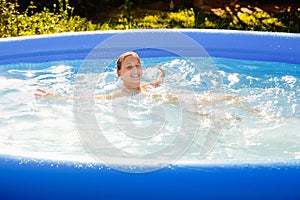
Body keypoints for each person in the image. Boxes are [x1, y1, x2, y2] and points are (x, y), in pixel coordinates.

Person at [35, 51, 259, 115]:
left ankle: (260, 114)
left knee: (232, 97)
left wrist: (160, 78)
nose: (135, 70)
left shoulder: (147, 87)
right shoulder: (121, 95)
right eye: (129, 67)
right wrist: (55, 97)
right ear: (119, 74)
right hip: (179, 109)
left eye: (138, 65)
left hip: (182, 100)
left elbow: (156, 85)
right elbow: (89, 99)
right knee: (208, 115)